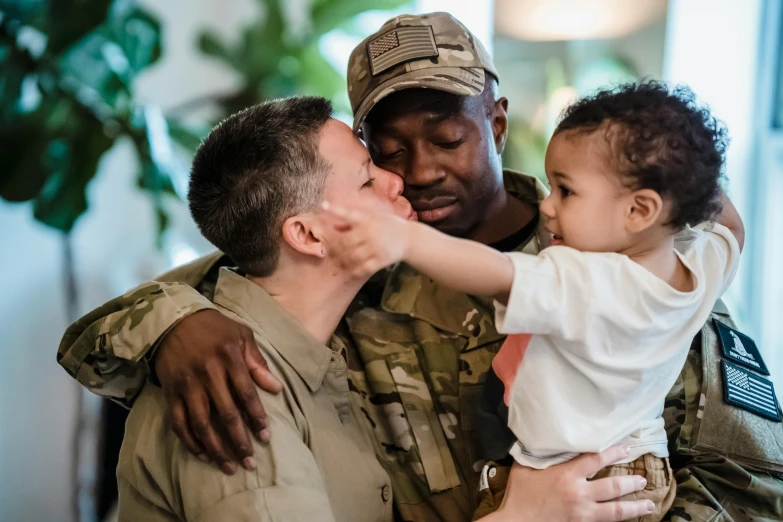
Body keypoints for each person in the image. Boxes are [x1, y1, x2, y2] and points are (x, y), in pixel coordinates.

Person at [57, 12, 783, 522]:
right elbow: (134, 316)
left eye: (446, 137)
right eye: (387, 151)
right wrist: (174, 326)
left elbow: (750, 478)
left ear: (495, 122)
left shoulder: (629, 262)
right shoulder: (361, 254)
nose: (421, 170)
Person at [321, 81, 745, 522]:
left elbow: (497, 271)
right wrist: (682, 176)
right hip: (635, 468)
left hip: (586, 480)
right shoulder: (699, 269)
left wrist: (406, 239)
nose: (548, 205)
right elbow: (732, 229)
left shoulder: (589, 283)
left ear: (639, 210)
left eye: (565, 190)